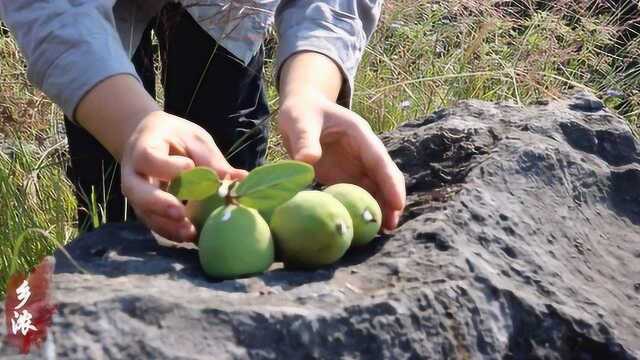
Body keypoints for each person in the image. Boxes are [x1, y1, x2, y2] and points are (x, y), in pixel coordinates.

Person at [0, 0, 406, 243]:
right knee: (117, 192)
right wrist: (129, 124)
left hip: (228, 9)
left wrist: (311, 88)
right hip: (89, 13)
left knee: (225, 172)